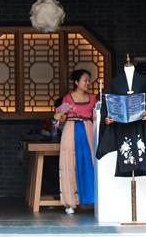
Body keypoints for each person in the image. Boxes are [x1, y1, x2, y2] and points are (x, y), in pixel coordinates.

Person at [53, 68, 96, 214]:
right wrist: (59, 117)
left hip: (88, 129)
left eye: (89, 80)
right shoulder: (68, 99)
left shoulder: (93, 98)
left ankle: (91, 200)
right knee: (70, 164)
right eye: (85, 80)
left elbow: (97, 115)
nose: (88, 83)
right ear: (77, 82)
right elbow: (60, 116)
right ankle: (70, 202)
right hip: (71, 130)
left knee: (90, 163)